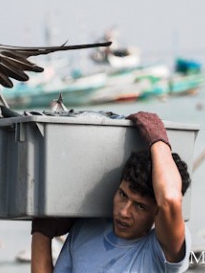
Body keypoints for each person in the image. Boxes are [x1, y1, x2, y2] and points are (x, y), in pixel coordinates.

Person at [30, 111, 192, 273]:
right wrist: (42, 233)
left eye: (140, 206)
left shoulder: (160, 252)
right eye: (123, 195)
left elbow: (170, 199)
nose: (124, 212)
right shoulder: (85, 232)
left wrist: (158, 140)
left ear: (157, 212)